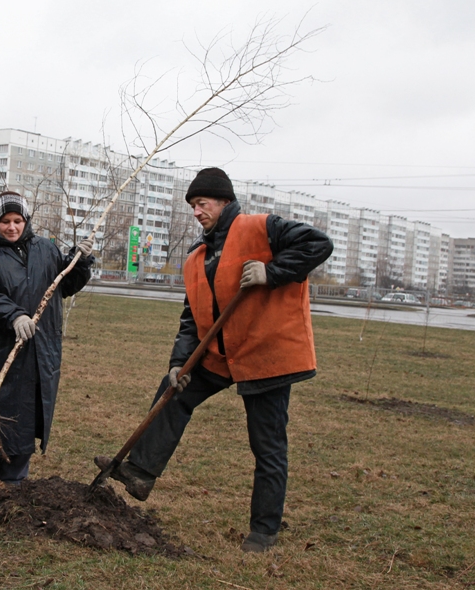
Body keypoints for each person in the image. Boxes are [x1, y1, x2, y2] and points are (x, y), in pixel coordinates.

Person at [94, 167, 333, 553]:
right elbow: (192, 316)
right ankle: (139, 473)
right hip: (220, 354)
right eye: (192, 205)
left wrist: (272, 272)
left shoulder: (262, 228)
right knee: (174, 391)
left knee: (267, 445)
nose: (196, 211)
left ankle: (264, 531)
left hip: (266, 355)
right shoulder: (197, 257)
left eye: (202, 203)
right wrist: (179, 362)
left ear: (224, 201)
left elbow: (318, 245)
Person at [0, 191, 94, 494]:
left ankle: (14, 479)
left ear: (26, 221)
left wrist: (81, 260)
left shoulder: (46, 250)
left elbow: (66, 285)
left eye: (17, 220)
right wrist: (14, 315)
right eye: (5, 221)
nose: (12, 227)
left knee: (26, 412)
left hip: (37, 350)